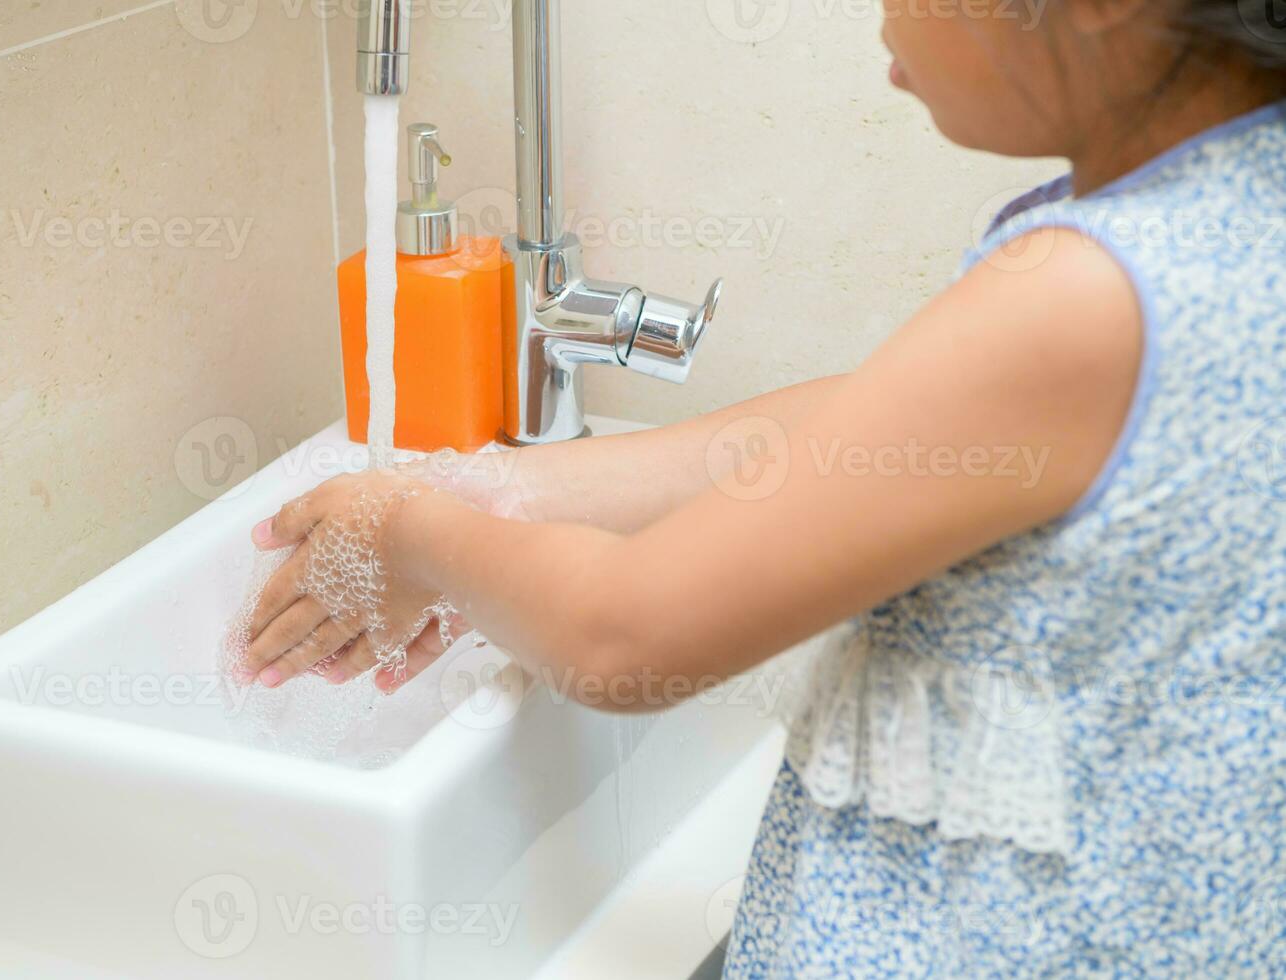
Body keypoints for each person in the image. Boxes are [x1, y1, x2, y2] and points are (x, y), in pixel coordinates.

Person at [242, 1, 1286, 974]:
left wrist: (414, 533)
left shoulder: (1081, 292)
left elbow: (623, 636)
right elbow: (882, 428)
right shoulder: (1226, 196)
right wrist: (501, 488)